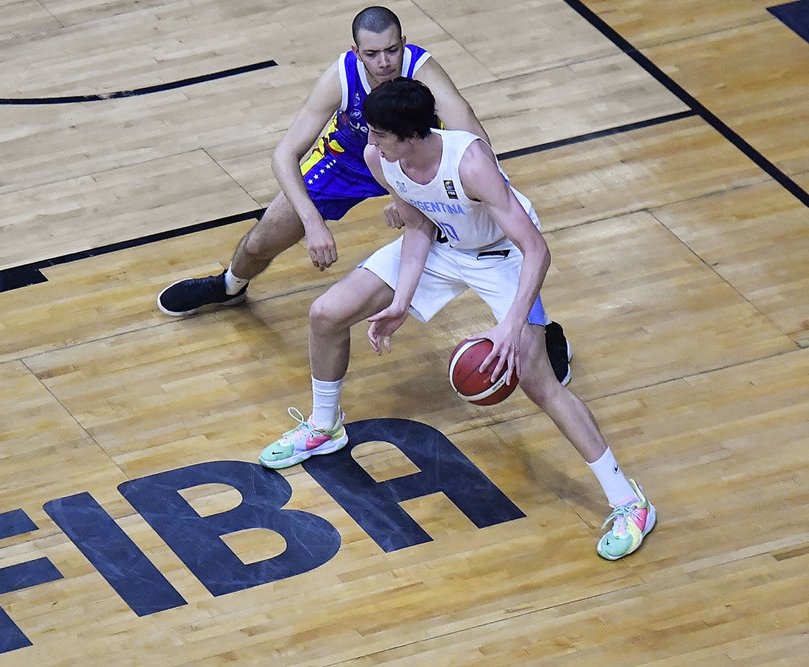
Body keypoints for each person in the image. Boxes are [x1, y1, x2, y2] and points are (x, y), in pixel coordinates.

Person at [256, 78, 656, 561]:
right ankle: (325, 425)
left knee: (537, 380)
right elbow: (420, 224)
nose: (370, 140)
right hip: (445, 245)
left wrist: (510, 325)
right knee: (326, 313)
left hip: (503, 256)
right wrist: (401, 300)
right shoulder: (378, 156)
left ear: (412, 135)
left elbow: (536, 250)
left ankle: (628, 502)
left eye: (381, 133)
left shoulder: (470, 164)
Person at [157, 5, 573, 385]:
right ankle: (230, 284)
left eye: (392, 50)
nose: (385, 62)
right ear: (356, 51)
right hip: (351, 159)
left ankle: (540, 325)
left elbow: (474, 136)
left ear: (403, 45)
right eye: (373, 54)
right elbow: (284, 154)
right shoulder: (341, 75)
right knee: (266, 237)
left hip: (417, 158)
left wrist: (414, 192)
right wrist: (312, 223)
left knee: (499, 235)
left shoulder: (423, 69)